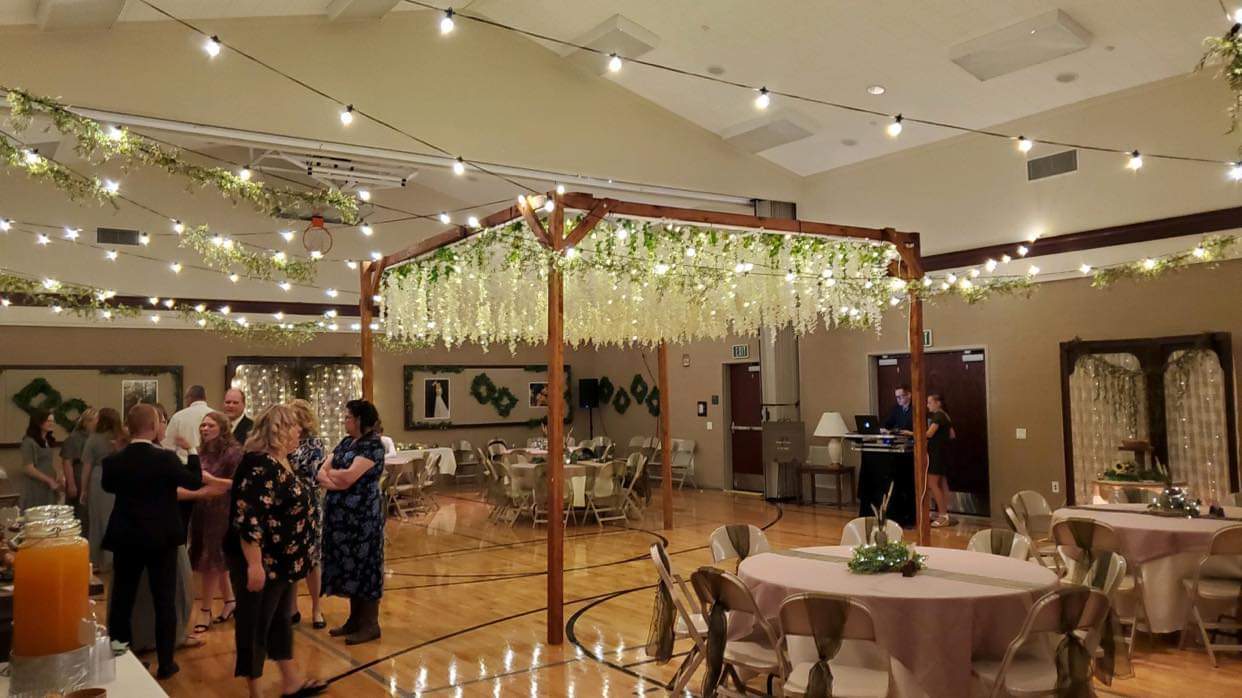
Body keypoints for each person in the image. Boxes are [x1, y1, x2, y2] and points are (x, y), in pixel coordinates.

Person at [227, 405, 325, 698]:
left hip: (286, 560)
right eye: (294, 426)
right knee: (256, 623)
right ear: (279, 429)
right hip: (263, 560)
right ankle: (254, 690)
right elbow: (249, 517)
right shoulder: (260, 465)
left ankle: (290, 682)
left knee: (281, 621)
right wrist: (254, 565)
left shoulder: (283, 460)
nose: (300, 431)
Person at [101, 404, 204, 680]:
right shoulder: (166, 460)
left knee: (123, 600)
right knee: (164, 601)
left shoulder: (114, 461)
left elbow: (108, 487)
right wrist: (192, 451)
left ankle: (121, 656)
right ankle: (166, 662)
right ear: (154, 425)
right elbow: (194, 482)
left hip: (127, 537)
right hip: (162, 538)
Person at [319, 399, 386, 645]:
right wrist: (336, 477)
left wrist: (334, 476)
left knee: (364, 565)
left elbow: (347, 477)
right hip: (340, 518)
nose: (345, 421)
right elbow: (321, 471)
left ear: (360, 420)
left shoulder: (373, 446)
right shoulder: (347, 442)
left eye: (348, 417)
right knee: (349, 567)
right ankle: (354, 619)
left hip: (362, 518)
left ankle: (370, 624)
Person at [182, 411, 242, 634]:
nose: (205, 429)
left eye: (210, 426)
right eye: (203, 426)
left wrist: (212, 481)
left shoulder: (234, 453)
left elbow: (239, 484)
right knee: (214, 558)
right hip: (201, 510)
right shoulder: (201, 451)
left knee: (211, 560)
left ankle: (205, 609)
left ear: (222, 429)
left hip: (223, 511)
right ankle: (230, 601)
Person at [287, 399, 327, 629]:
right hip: (287, 504)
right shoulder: (283, 442)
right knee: (291, 556)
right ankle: (292, 607)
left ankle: (316, 608)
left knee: (312, 559)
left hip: (309, 502)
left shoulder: (315, 444)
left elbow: (313, 474)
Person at [82, 407, 124, 572]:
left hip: (100, 476)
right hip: (120, 478)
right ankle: (115, 558)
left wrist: (83, 489)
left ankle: (97, 561)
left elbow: (87, 465)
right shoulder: (123, 437)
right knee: (116, 517)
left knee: (97, 519)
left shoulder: (94, 439)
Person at [20, 409, 63, 508]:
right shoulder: (29, 442)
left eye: (52, 421)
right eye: (48, 421)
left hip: (48, 486)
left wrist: (59, 475)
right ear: (38, 422)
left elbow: (48, 463)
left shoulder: (46, 441)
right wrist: (49, 480)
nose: (51, 423)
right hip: (36, 486)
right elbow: (28, 468)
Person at [60, 407, 97, 518]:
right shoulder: (74, 438)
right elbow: (67, 461)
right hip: (78, 477)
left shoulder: (95, 438)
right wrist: (71, 484)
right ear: (86, 422)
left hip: (91, 479)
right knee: (80, 513)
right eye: (94, 421)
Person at [925, 392, 955, 528]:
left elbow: (929, 433)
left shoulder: (938, 416)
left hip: (936, 454)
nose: (927, 405)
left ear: (938, 403)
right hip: (943, 453)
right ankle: (943, 513)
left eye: (930, 402)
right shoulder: (946, 416)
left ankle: (943, 515)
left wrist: (912, 433)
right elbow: (952, 435)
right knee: (942, 483)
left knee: (932, 483)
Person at [163, 385, 214, 462]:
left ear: (189, 398)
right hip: (211, 464)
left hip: (185, 464)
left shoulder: (178, 417)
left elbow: (167, 446)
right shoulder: (216, 415)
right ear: (205, 397)